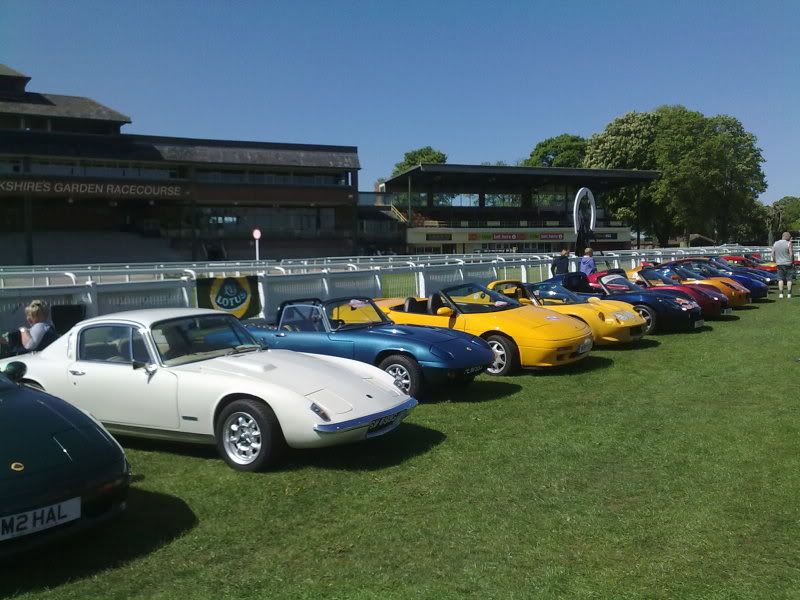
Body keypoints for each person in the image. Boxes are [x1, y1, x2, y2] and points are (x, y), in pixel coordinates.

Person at [772, 231, 794, 298]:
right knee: (789, 279)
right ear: (786, 237)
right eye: (789, 237)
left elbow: (773, 254)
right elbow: (791, 254)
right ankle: (789, 294)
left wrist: (775, 260)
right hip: (788, 263)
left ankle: (781, 293)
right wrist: (792, 260)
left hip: (779, 263)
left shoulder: (775, 243)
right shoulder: (789, 243)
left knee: (780, 279)